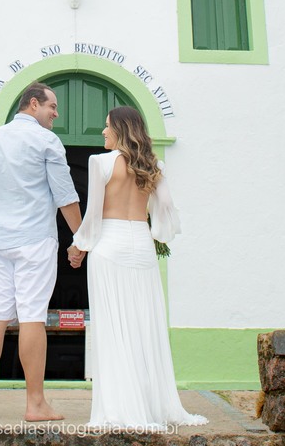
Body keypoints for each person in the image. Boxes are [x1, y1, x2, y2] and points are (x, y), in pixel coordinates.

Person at [68, 106, 207, 429]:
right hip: (141, 246)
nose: (102, 132)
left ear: (120, 129)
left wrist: (79, 246)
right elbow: (167, 210)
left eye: (106, 127)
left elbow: (94, 215)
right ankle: (152, 404)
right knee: (145, 327)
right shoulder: (153, 165)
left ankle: (121, 407)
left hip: (109, 247)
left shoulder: (100, 162)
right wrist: (155, 231)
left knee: (113, 328)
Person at [0, 82, 82, 421]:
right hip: (33, 241)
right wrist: (82, 238)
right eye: (52, 107)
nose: (56, 114)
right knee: (32, 316)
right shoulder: (46, 140)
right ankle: (35, 404)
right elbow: (66, 196)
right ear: (34, 104)